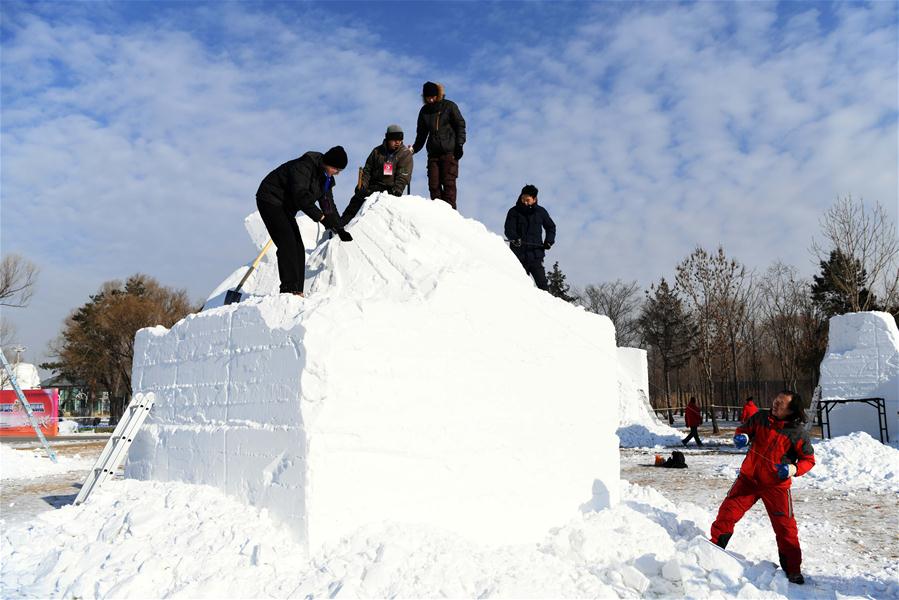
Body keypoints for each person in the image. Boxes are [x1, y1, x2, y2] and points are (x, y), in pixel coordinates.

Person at [711, 390, 815, 585]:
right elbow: (743, 430)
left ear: (791, 410)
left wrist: (793, 468)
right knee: (727, 512)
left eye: (781, 403)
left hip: (776, 486)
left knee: (786, 528)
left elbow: (809, 460)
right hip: (748, 480)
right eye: (775, 400)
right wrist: (741, 437)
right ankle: (714, 547)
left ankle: (793, 569)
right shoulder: (760, 418)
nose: (775, 404)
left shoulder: (798, 433)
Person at [256, 146, 353, 296]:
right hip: (270, 199)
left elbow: (328, 205)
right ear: (327, 162)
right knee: (287, 243)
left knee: (298, 247)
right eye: (336, 168)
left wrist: (338, 227)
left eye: (340, 170)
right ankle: (288, 290)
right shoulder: (304, 167)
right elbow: (301, 197)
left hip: (285, 207)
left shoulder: (326, 179)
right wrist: (321, 218)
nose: (337, 173)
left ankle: (297, 291)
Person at [341, 124, 414, 225]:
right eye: (394, 139)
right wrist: (363, 185)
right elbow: (367, 170)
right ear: (388, 138)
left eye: (400, 139)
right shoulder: (377, 151)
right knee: (356, 201)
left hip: (390, 190)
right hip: (372, 187)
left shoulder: (405, 154)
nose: (398, 142)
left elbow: (403, 175)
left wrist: (397, 190)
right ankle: (341, 226)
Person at [411, 81, 466, 210]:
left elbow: (460, 125)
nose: (430, 99)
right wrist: (414, 149)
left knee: (448, 183)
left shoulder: (449, 106)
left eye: (433, 96)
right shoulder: (424, 112)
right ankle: (438, 213)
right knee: (433, 185)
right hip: (433, 154)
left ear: (438, 95)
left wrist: (459, 144)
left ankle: (450, 213)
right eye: (427, 97)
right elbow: (421, 134)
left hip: (449, 152)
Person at [503, 184, 556, 291]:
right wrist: (515, 238)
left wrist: (549, 241)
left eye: (527, 200)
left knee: (543, 287)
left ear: (534, 199)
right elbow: (508, 229)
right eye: (523, 199)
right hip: (518, 256)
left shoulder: (541, 212)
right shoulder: (513, 212)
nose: (524, 202)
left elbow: (551, 227)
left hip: (536, 256)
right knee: (522, 288)